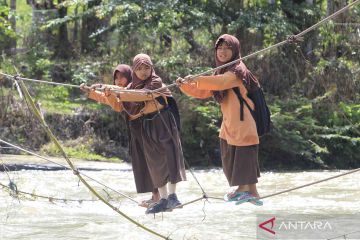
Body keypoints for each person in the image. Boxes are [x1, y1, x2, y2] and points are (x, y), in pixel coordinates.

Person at [177, 34, 263, 206]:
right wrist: (185, 86)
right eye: (220, 48)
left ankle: (242, 189)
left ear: (235, 50)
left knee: (243, 153)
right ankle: (252, 193)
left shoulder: (238, 70)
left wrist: (197, 78)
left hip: (243, 120)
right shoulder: (222, 70)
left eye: (227, 48)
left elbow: (221, 83)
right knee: (228, 151)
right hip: (230, 121)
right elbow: (205, 91)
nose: (222, 52)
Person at [80, 64, 160, 208]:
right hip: (135, 129)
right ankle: (155, 196)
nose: (119, 81)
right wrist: (91, 92)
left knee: (151, 162)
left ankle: (159, 196)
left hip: (146, 127)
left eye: (122, 77)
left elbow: (123, 92)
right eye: (116, 78)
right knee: (143, 163)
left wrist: (103, 87)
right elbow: (115, 104)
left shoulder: (134, 88)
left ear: (129, 76)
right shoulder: (120, 92)